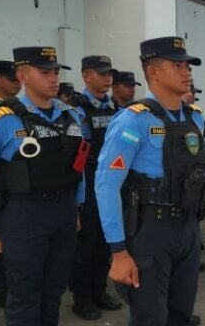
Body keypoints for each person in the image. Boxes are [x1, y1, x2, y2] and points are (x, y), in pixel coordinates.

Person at [95, 36, 205, 325]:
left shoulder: (194, 118)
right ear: (153, 72)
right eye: (177, 65)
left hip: (188, 226)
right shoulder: (133, 120)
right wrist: (119, 252)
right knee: (150, 316)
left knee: (181, 313)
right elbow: (106, 185)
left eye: (188, 66)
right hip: (151, 231)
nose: (186, 72)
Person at [0, 46, 85, 325]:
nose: (53, 78)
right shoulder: (3, 119)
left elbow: (80, 164)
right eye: (44, 72)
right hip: (24, 215)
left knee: (54, 290)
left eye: (56, 71)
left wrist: (77, 207)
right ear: (23, 75)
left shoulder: (71, 115)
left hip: (64, 213)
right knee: (24, 294)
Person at [68, 55, 123, 320]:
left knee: (105, 241)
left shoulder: (115, 108)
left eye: (109, 74)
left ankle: (100, 291)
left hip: (111, 186)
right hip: (88, 185)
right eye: (101, 74)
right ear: (86, 76)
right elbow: (78, 154)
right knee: (86, 244)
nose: (107, 79)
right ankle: (82, 298)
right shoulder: (77, 110)